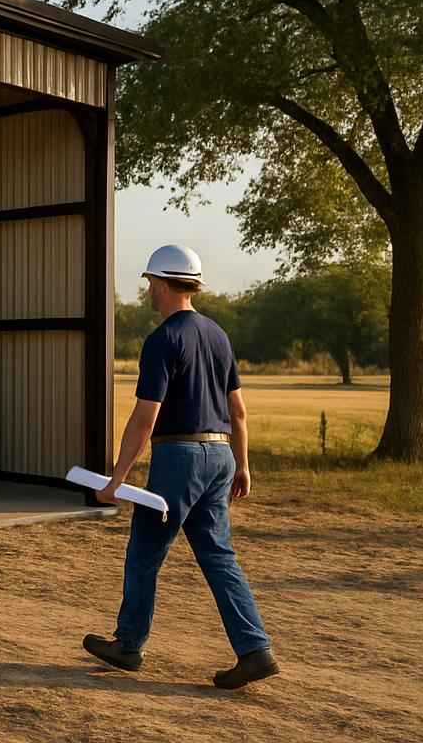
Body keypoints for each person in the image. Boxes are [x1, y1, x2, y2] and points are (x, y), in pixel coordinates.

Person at [82, 245, 279, 689]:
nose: (148, 290)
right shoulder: (218, 335)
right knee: (218, 555)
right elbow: (239, 410)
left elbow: (145, 416)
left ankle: (129, 644)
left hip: (180, 458)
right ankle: (254, 650)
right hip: (221, 454)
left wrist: (117, 478)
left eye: (151, 282)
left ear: (166, 283)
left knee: (145, 551)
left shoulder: (163, 339)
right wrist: (242, 465)